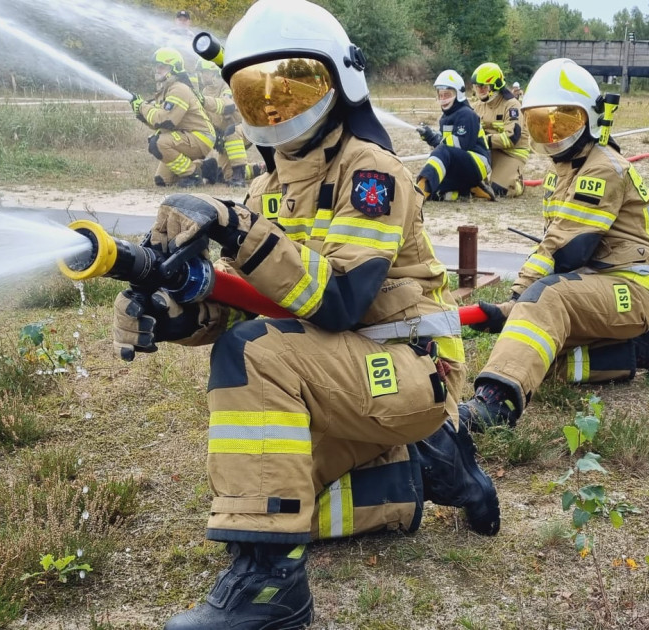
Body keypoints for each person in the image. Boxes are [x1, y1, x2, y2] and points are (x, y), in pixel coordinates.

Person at [113, 1, 500, 627]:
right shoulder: (265, 191)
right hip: (338, 378)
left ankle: (273, 591)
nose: (275, 109)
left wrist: (236, 230)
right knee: (264, 497)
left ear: (341, 81)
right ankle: (429, 470)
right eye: (254, 93)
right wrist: (175, 307)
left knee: (254, 358)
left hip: (409, 368)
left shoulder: (372, 174)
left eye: (294, 88)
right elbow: (250, 301)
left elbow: (341, 303)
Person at [459, 58, 649, 432]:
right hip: (599, 281)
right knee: (539, 356)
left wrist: (516, 301)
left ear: (591, 117)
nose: (553, 134)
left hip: (633, 287)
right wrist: (517, 310)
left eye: (564, 122)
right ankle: (635, 352)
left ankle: (495, 404)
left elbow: (565, 250)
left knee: (547, 299)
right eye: (541, 124)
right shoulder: (560, 173)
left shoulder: (602, 168)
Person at [130, 48, 217, 188]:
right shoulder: (166, 90)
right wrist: (141, 114)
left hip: (201, 137)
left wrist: (142, 107)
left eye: (162, 66)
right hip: (187, 135)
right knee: (162, 181)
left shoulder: (178, 89)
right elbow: (159, 124)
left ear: (174, 68)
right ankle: (204, 168)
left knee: (158, 143)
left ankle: (192, 174)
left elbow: (166, 120)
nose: (157, 70)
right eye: (156, 66)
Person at [415, 69, 494, 201]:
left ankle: (422, 188)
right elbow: (446, 144)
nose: (443, 99)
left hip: (478, 163)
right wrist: (430, 137)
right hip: (459, 165)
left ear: (459, 94)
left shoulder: (467, 114)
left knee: (434, 171)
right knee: (436, 187)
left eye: (447, 94)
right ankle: (469, 190)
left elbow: (461, 145)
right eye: (441, 95)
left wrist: (435, 139)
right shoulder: (445, 118)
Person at [470, 62, 530, 198]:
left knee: (498, 190)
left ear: (495, 85)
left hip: (511, 153)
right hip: (487, 150)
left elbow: (511, 138)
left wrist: (482, 140)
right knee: (468, 185)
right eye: (477, 87)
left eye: (483, 87)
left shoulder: (512, 105)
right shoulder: (476, 106)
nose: (479, 90)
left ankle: (517, 182)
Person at [196, 59, 252, 187]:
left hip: (245, 128)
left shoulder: (227, 84)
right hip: (225, 135)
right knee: (224, 175)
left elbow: (228, 105)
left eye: (204, 72)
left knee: (232, 131)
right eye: (201, 73)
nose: (201, 76)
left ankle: (239, 177)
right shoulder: (205, 91)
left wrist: (204, 101)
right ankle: (261, 169)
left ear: (213, 72)